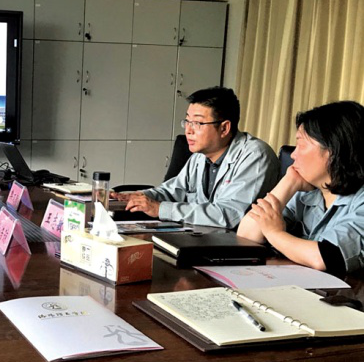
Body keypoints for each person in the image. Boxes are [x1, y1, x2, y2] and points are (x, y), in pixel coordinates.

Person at [114, 87, 279, 229]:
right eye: (187, 121)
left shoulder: (255, 156)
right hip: (202, 235)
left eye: (198, 123)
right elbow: (173, 191)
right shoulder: (200, 156)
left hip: (238, 246)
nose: (188, 130)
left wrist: (160, 209)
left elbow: (229, 215)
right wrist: (135, 197)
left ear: (224, 128)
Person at [238, 101, 364, 274]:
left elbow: (325, 258)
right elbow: (246, 236)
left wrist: (275, 233)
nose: (293, 154)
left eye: (301, 145)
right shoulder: (306, 192)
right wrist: (288, 183)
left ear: (334, 150)